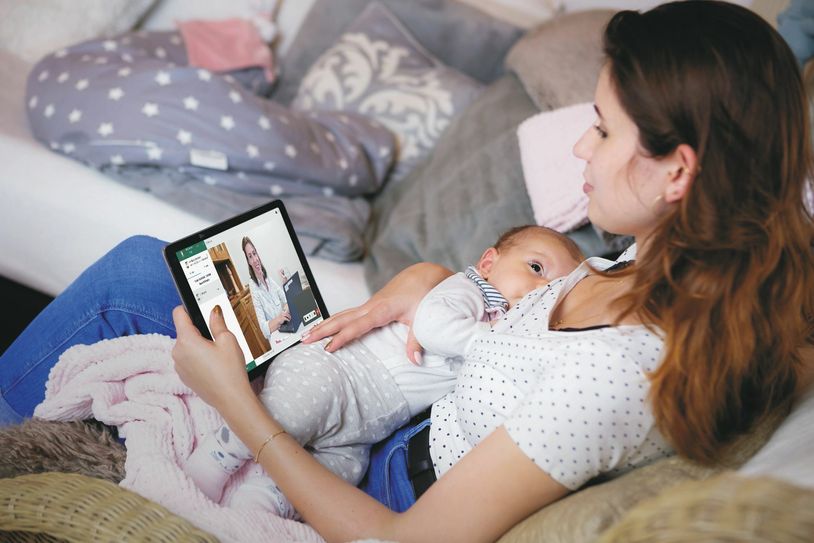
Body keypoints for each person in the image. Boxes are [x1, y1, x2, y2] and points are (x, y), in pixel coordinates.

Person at [0, 2, 811, 541]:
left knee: (125, 295)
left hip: (389, 471)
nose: (579, 150)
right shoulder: (652, 259)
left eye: (601, 131)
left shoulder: (614, 373)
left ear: (679, 171)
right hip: (402, 388)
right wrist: (419, 281)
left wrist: (238, 407)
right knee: (151, 263)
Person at [183, 225, 583, 517]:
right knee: (294, 412)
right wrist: (494, 340)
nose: (539, 289)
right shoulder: (471, 292)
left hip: (367, 426)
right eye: (535, 268)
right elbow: (433, 326)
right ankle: (210, 464)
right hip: (340, 369)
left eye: (554, 289)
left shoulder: (509, 321)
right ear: (489, 262)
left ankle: (259, 502)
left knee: (342, 471)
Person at [242, 236, 291, 339]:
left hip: (286, 327)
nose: (255, 259)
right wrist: (279, 319)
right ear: (248, 262)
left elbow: (285, 299)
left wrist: (284, 313)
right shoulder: (254, 288)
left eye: (254, 254)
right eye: (250, 256)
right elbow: (264, 330)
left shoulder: (267, 277)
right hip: (277, 336)